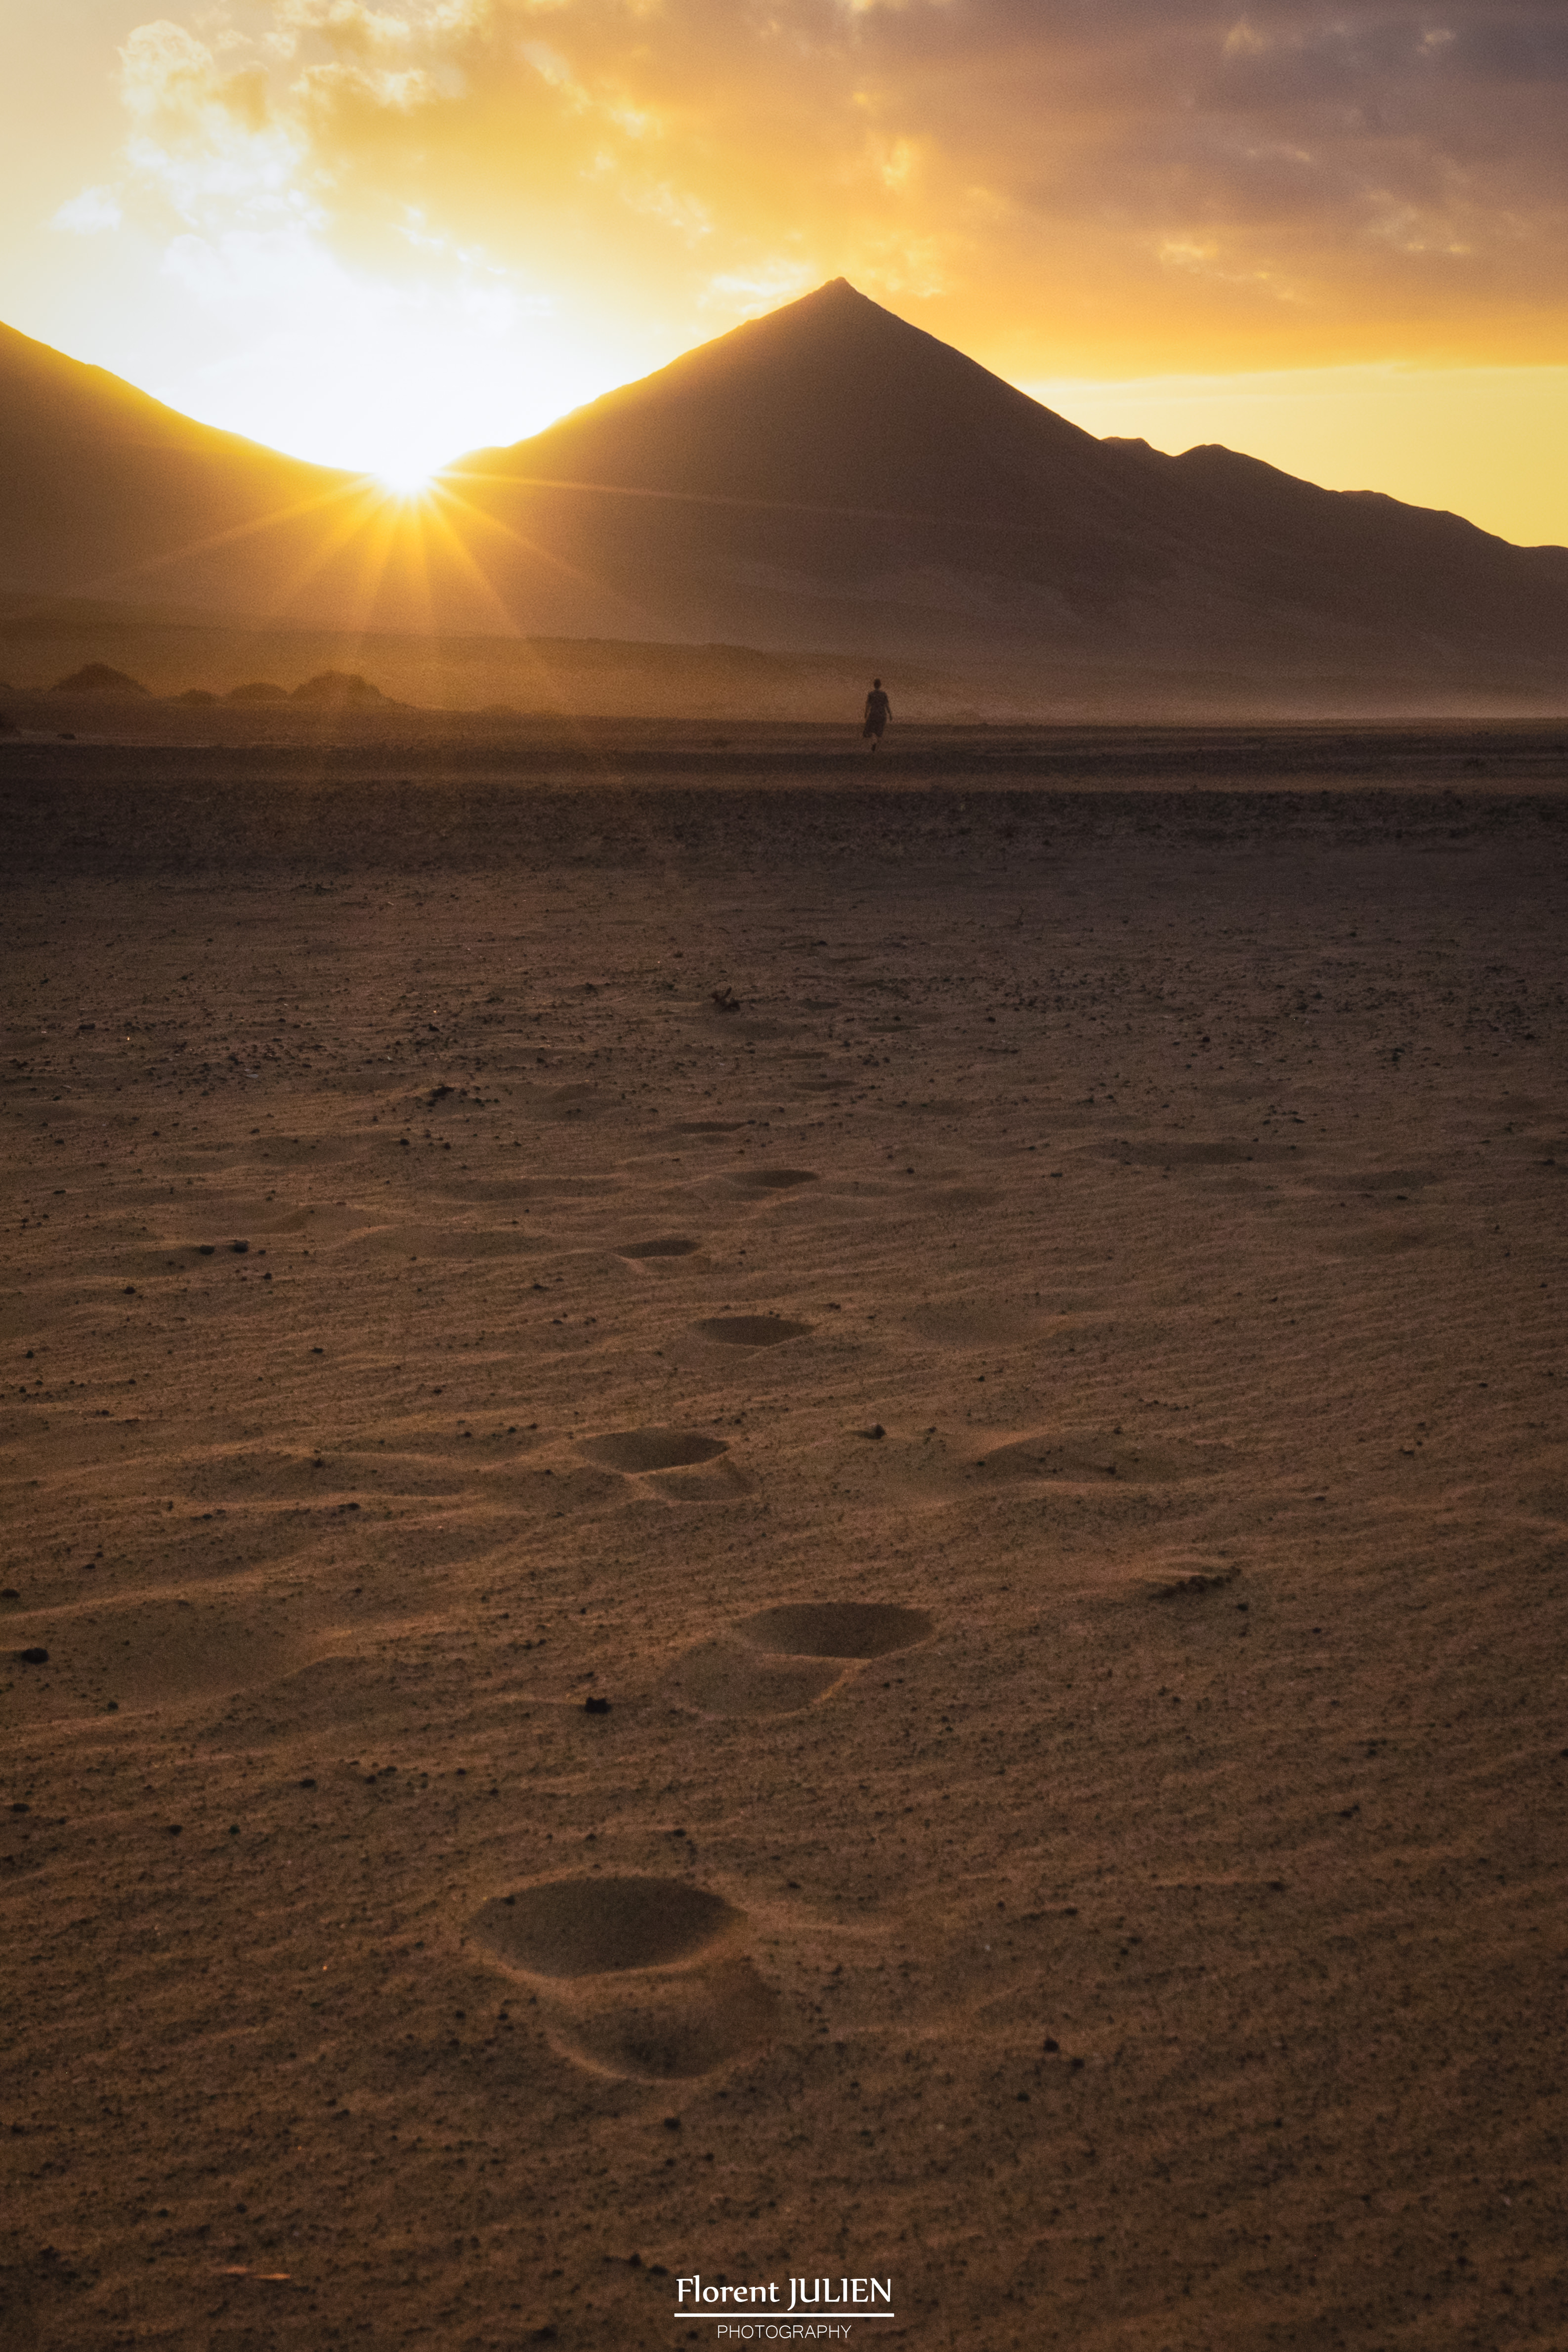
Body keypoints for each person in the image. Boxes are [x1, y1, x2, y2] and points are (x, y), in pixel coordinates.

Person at [862, 678, 891, 749]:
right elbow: (887, 705)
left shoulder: (871, 694)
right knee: (879, 733)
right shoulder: (884, 694)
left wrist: (866, 713)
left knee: (869, 731)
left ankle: (874, 742)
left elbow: (868, 705)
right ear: (880, 685)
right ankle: (876, 743)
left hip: (874, 714)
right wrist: (890, 714)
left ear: (874, 685)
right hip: (882, 715)